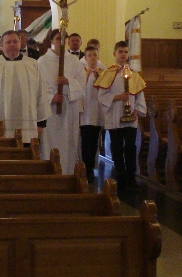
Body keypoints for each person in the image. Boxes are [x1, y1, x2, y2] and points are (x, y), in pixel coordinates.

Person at [0, 30, 50, 144]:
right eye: (8, 42)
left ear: (20, 43)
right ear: (2, 45)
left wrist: (41, 123)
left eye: (15, 41)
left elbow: (41, 93)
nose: (12, 45)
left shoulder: (33, 64)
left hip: (28, 126)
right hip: (0, 124)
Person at [94, 40, 147, 191]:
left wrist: (137, 110)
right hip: (114, 116)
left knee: (130, 147)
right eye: (120, 52)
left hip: (131, 118)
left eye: (125, 52)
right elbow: (101, 96)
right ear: (114, 53)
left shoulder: (134, 74)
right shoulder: (107, 74)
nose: (123, 54)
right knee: (116, 147)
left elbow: (140, 96)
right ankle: (120, 177)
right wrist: (118, 97)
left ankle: (131, 177)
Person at [37, 29, 84, 174]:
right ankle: (50, 173)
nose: (61, 42)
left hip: (68, 106)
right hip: (49, 109)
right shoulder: (42, 61)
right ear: (51, 41)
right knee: (50, 142)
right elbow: (38, 87)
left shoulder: (74, 61)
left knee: (68, 142)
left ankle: (68, 173)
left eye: (64, 39)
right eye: (58, 39)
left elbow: (82, 85)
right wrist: (51, 97)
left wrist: (68, 82)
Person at [78, 44, 104, 183]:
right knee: (85, 142)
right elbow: (79, 91)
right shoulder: (81, 72)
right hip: (85, 113)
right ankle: (85, 168)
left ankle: (91, 169)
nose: (93, 58)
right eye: (90, 55)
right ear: (85, 58)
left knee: (94, 142)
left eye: (95, 55)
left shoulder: (103, 73)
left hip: (97, 113)